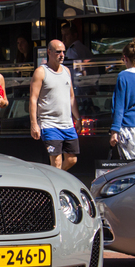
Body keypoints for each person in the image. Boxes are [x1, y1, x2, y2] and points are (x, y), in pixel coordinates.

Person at [30, 40, 82, 171]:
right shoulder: (41, 72)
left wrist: (78, 118)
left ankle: (53, 178)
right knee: (56, 161)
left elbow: (71, 96)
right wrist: (34, 124)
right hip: (50, 124)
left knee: (72, 159)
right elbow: (33, 99)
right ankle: (56, 186)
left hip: (67, 124)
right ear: (49, 52)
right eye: (58, 52)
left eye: (63, 51)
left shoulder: (66, 71)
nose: (62, 54)